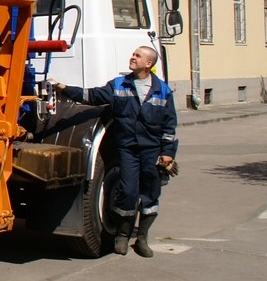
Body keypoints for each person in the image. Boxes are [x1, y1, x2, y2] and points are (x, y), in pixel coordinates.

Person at [53, 46, 178, 258]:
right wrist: (64, 88)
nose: (132, 57)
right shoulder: (119, 85)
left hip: (151, 151)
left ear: (148, 64)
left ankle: (142, 240)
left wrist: (168, 153)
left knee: (150, 195)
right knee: (128, 192)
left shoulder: (162, 90)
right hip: (128, 149)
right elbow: (92, 96)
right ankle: (122, 235)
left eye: (137, 56)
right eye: (133, 54)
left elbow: (169, 124)